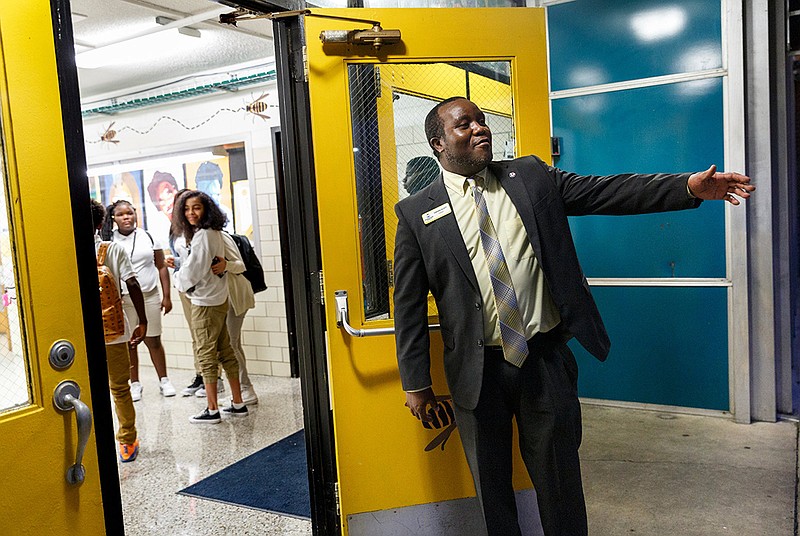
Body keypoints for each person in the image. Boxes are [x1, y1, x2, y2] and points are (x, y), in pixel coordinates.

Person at [392, 96, 755, 536]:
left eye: (482, 122)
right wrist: (416, 382)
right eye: (463, 125)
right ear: (438, 142)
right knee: (491, 487)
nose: (479, 129)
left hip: (544, 361)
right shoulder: (416, 212)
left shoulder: (528, 176)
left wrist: (686, 188)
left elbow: (607, 191)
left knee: (559, 481)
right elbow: (408, 305)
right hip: (477, 371)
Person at [171, 190, 247, 424]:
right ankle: (237, 402)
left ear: (206, 210)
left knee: (206, 354)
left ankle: (212, 408)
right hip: (218, 299)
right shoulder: (213, 233)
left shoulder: (203, 235)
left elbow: (193, 271)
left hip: (204, 302)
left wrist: (177, 280)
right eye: (186, 209)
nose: (191, 213)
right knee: (225, 351)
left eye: (196, 208)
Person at [91, 199, 148, 463]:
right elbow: (132, 284)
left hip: (81, 333)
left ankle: (94, 439)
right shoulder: (112, 249)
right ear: (102, 223)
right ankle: (127, 438)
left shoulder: (66, 251)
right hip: (114, 329)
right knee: (120, 387)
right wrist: (142, 320)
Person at [102, 200, 175, 400]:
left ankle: (164, 380)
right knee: (130, 342)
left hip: (149, 295)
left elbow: (161, 266)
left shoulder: (148, 236)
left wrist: (166, 296)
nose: (126, 217)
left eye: (130, 213)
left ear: (136, 214)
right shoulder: (109, 240)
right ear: (113, 218)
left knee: (153, 339)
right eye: (121, 214)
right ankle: (135, 383)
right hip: (123, 299)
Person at [216, 231, 258, 405]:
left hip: (235, 297)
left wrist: (225, 265)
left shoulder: (219, 235)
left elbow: (240, 265)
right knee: (232, 344)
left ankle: (246, 389)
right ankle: (241, 389)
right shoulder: (203, 236)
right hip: (222, 297)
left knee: (231, 345)